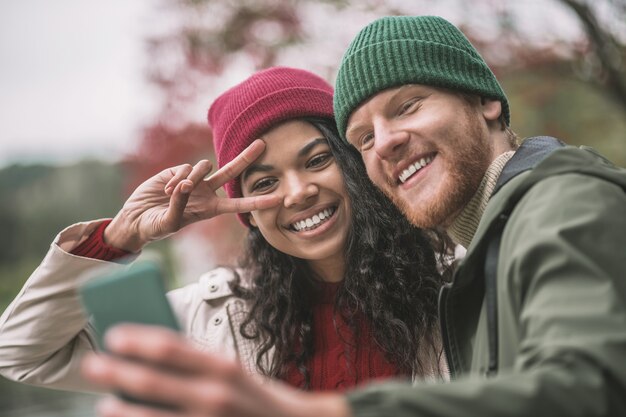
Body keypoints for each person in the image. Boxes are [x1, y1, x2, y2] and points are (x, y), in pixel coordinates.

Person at [78, 15, 626, 417]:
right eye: (363, 136)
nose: (386, 142)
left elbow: (590, 389)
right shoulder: (492, 250)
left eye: (407, 105)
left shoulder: (559, 203)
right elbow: (22, 350)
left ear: (484, 99)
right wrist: (119, 236)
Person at [0, 66, 447, 394]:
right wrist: (121, 237)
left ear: (354, 164)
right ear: (247, 213)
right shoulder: (209, 319)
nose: (297, 193)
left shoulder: (456, 286)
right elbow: (20, 352)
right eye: (265, 183)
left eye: (317, 160)